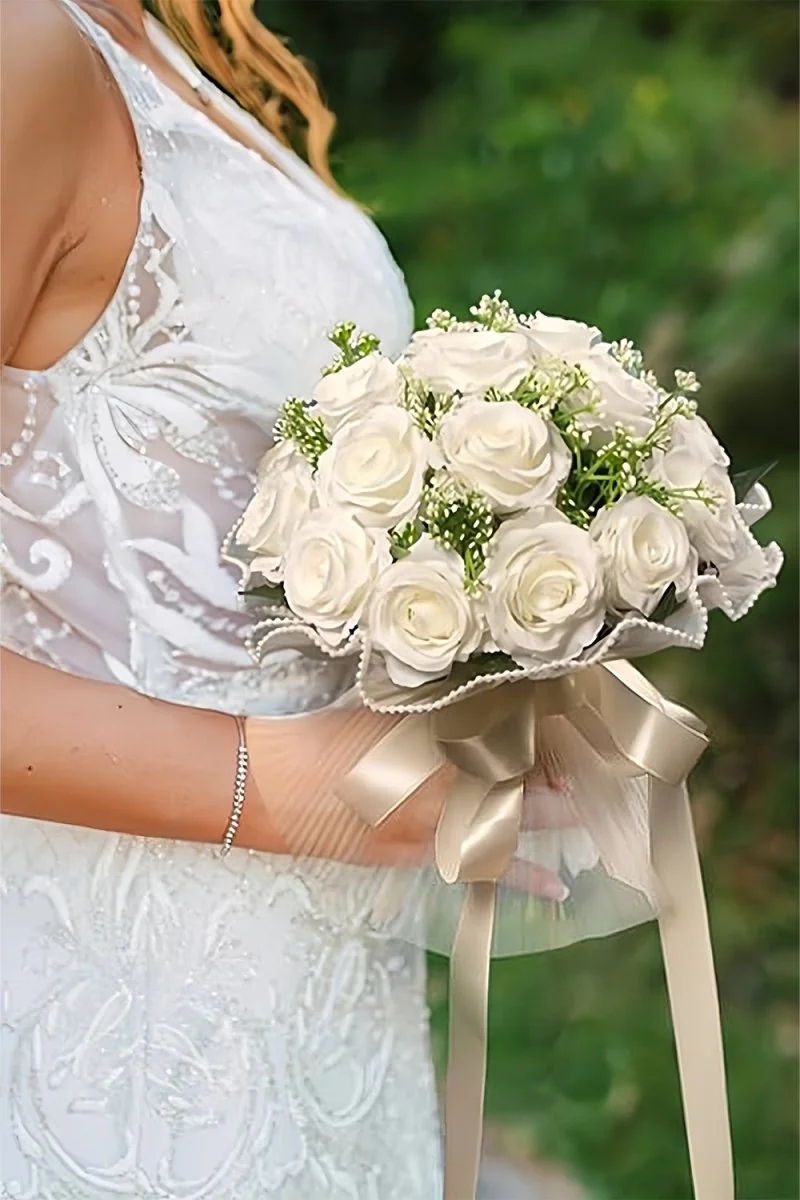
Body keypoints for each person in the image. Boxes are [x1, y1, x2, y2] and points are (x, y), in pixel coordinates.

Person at [0, 2, 565, 1195]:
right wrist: (280, 785)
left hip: (304, 1010)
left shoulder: (159, 48)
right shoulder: (23, 49)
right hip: (111, 1021)